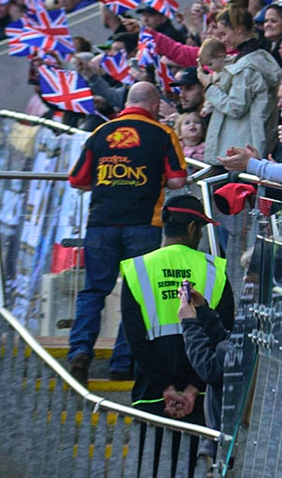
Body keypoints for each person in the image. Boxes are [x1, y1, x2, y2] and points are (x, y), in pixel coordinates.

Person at [65, 80, 191, 383]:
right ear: (155, 105)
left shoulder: (100, 133)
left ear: (126, 104)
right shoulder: (163, 134)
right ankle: (122, 363)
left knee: (94, 290)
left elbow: (77, 180)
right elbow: (177, 181)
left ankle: (80, 350)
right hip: (144, 224)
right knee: (136, 296)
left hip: (101, 223)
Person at [118, 193, 234, 425]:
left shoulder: (137, 268)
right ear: (192, 228)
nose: (200, 235)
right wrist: (193, 387)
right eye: (200, 229)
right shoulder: (215, 270)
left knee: (149, 460)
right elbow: (223, 334)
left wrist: (165, 387)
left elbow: (134, 337)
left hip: (151, 394)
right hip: (203, 393)